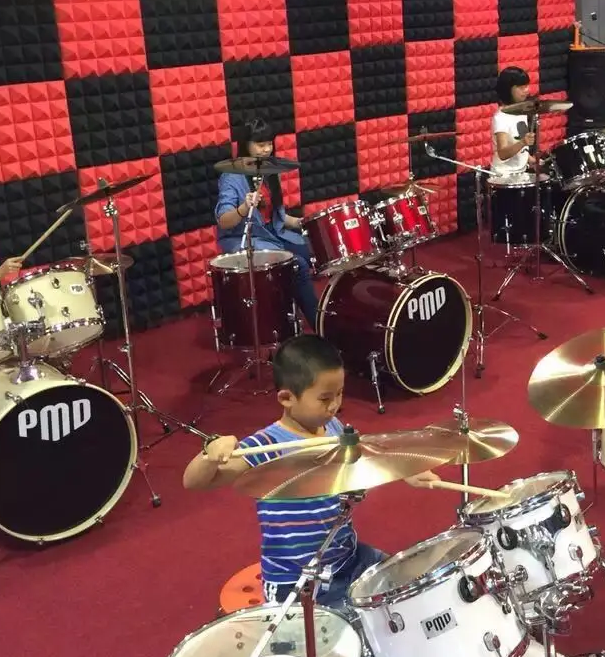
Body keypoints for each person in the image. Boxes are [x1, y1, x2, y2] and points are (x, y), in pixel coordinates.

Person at [183, 334, 442, 607]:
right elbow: (194, 482)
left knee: (407, 590)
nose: (335, 405)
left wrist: (404, 471)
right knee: (351, 627)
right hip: (297, 581)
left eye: (339, 393)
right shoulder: (266, 445)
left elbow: (364, 455)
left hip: (348, 558)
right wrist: (209, 455)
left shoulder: (333, 427)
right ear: (286, 398)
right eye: (325, 398)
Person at [215, 119, 318, 328]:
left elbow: (278, 217)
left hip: (274, 234)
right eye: (260, 144)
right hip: (245, 238)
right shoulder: (231, 177)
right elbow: (223, 221)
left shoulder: (271, 172)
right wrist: (244, 207)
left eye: (269, 144)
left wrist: (303, 223)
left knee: (316, 251)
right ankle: (320, 325)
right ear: (246, 145)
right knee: (297, 264)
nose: (266, 149)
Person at [492, 66, 538, 175]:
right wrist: (523, 142)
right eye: (521, 87)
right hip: (503, 176)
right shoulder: (501, 118)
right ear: (508, 89)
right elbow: (503, 154)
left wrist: (530, 159)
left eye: (526, 86)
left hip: (521, 172)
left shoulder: (521, 111)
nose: (526, 90)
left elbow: (520, 148)